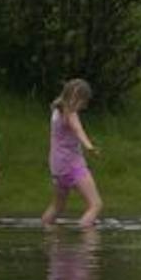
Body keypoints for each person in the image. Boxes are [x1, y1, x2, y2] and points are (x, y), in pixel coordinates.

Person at [40, 78, 103, 229]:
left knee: (57, 207)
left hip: (57, 166)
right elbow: (77, 130)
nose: (83, 105)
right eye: (83, 101)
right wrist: (89, 146)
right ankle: (87, 244)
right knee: (95, 205)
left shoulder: (56, 111)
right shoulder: (70, 113)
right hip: (72, 164)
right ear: (77, 97)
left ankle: (46, 234)